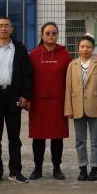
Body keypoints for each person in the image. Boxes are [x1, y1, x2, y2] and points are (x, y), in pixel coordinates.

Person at [0, 16, 33, 183]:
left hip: (13, 96)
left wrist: (25, 95)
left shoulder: (19, 48)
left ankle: (15, 171)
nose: (3, 28)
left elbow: (27, 73)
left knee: (14, 138)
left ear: (11, 29)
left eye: (6, 26)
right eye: (0, 26)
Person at [27, 22, 72, 180]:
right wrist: (27, 98)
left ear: (57, 35)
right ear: (42, 35)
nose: (51, 35)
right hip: (38, 102)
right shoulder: (33, 54)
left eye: (54, 33)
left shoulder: (65, 54)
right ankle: (37, 168)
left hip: (58, 102)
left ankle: (57, 168)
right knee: (38, 137)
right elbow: (28, 79)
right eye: (48, 33)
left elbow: (70, 79)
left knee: (57, 137)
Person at [64, 35, 97, 181]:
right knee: (80, 140)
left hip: (95, 107)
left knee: (95, 141)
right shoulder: (72, 65)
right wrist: (68, 109)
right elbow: (68, 88)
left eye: (88, 47)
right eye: (82, 47)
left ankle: (94, 169)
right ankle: (82, 168)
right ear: (78, 49)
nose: (85, 49)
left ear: (93, 48)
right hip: (77, 107)